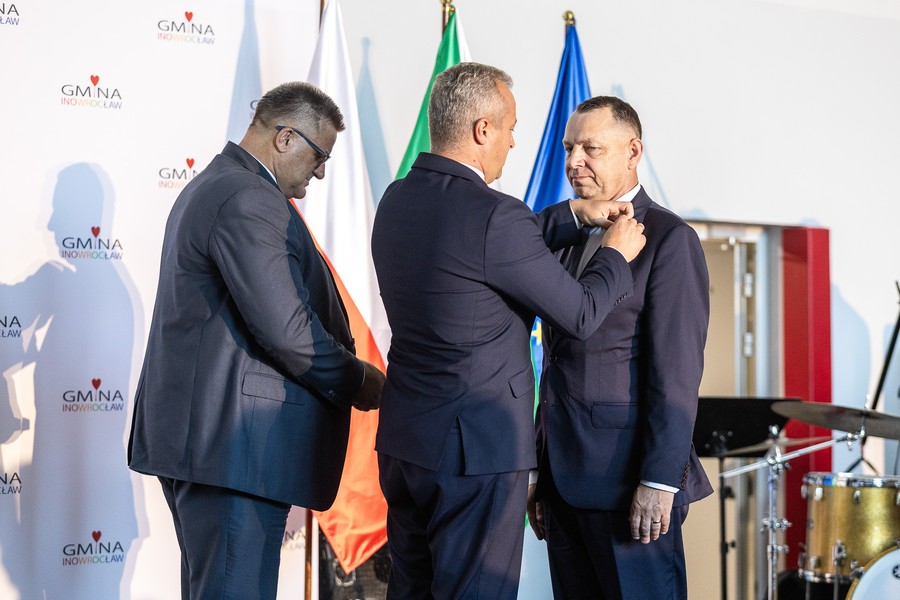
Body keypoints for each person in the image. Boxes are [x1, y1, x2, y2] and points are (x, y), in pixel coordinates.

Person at [371, 62, 646, 600]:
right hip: (474, 454)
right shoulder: (496, 216)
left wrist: (573, 214)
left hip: (406, 445)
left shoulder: (397, 200)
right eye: (511, 128)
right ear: (483, 130)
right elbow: (580, 313)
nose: (515, 142)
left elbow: (484, 250)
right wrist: (614, 255)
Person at [127, 81, 384, 600]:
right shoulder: (248, 196)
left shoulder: (218, 185)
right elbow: (288, 332)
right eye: (319, 155)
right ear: (285, 137)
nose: (321, 172)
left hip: (219, 450)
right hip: (234, 453)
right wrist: (359, 379)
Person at [527, 96, 713, 600]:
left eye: (591, 148)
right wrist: (539, 471)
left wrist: (660, 481)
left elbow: (676, 374)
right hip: (561, 484)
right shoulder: (562, 235)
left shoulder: (671, 239)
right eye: (568, 148)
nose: (574, 161)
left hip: (631, 489)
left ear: (633, 151)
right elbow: (554, 363)